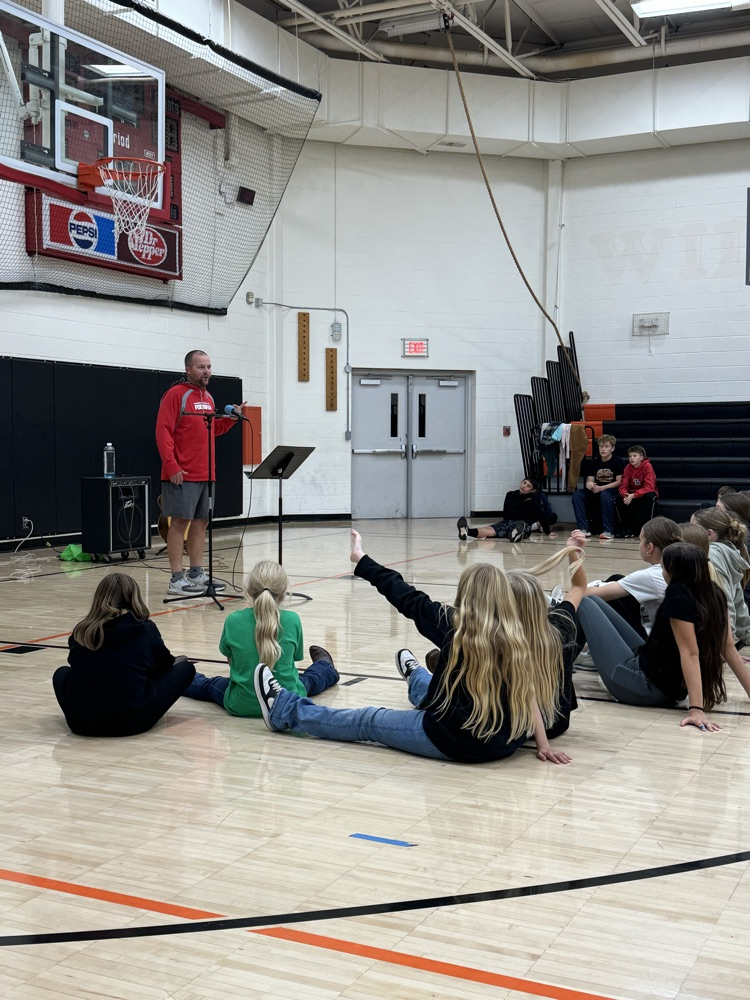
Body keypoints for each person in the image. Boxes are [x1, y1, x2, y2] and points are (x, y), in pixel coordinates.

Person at [252, 528, 589, 765]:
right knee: (438, 694)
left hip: (449, 742)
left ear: (465, 597)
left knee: (368, 720)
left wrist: (362, 560)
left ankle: (284, 710)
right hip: (502, 747)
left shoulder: (455, 628)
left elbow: (407, 597)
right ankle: (416, 674)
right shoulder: (518, 640)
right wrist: (542, 745)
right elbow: (529, 693)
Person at [577, 542, 749, 729]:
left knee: (583, 600)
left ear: (672, 571)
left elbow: (690, 653)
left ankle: (558, 664)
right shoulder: (714, 592)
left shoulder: (678, 596)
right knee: (593, 599)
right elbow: (729, 649)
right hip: (652, 671)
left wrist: (696, 709)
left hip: (643, 686)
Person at [183, 560, 339, 715]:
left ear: (249, 591)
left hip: (242, 704)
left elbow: (234, 665)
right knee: (307, 681)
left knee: (209, 685)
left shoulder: (233, 620)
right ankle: (326, 667)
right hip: (287, 702)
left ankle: (174, 674)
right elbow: (293, 661)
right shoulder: (292, 620)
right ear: (284, 592)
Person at [52, 573, 195, 737]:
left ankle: (85, 712)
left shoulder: (82, 631)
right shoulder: (144, 629)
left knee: (62, 673)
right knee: (185, 667)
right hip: (131, 723)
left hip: (80, 724)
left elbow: (77, 665)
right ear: (134, 598)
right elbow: (164, 666)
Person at [155, 350, 243, 596]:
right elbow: (163, 432)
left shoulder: (209, 398)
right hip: (182, 473)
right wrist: (171, 465)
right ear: (188, 369)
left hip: (206, 473)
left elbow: (210, 430)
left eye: (209, 367)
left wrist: (230, 420)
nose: (207, 372)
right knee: (179, 523)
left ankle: (196, 573)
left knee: (201, 523)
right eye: (201, 367)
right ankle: (176, 579)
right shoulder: (175, 395)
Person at [581, 516, 681, 639]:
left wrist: (575, 554)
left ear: (649, 548)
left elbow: (586, 594)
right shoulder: (679, 565)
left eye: (640, 541)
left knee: (591, 601)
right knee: (616, 579)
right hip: (668, 635)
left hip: (653, 643)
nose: (639, 545)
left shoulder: (650, 576)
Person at [690, 507, 750, 646]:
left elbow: (724, 602)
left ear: (709, 534)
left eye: (693, 527)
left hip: (716, 643)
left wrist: (724, 647)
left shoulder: (711, 555)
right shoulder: (728, 551)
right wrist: (746, 634)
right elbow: (738, 601)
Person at [457, 477, 558, 543]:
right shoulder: (510, 494)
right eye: (524, 483)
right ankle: (467, 531)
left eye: (528, 486)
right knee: (489, 529)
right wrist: (504, 523)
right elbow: (505, 511)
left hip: (524, 523)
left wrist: (547, 531)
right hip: (510, 522)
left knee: (518, 527)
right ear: (521, 482)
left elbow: (540, 513)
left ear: (533, 490)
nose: (524, 486)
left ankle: (514, 533)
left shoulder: (534, 497)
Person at [571, 434, 624, 539]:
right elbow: (589, 481)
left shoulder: (618, 462)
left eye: (606, 446)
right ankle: (583, 528)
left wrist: (602, 488)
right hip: (597, 489)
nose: (603, 449)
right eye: (601, 446)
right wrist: (590, 485)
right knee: (577, 495)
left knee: (604, 495)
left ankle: (608, 530)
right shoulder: (595, 462)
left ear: (612, 448)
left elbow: (619, 482)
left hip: (611, 490)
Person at [613, 445, 658, 538]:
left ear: (641, 458)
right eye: (630, 456)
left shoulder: (647, 466)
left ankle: (646, 531)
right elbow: (623, 486)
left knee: (649, 497)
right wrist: (625, 494)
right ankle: (626, 529)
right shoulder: (627, 468)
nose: (631, 458)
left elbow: (649, 487)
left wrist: (634, 495)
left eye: (634, 456)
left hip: (646, 492)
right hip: (632, 493)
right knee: (618, 498)